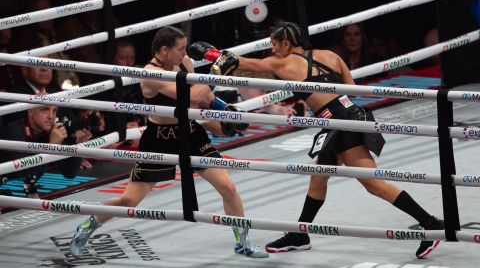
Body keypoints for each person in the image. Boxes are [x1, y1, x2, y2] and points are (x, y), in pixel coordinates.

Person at [189, 21, 444, 259]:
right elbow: (353, 88)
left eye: (274, 45)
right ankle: (301, 233)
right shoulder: (331, 55)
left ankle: (431, 224)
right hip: (350, 114)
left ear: (286, 44)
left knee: (373, 184)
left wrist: (211, 54)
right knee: (318, 177)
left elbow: (243, 64)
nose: (273, 50)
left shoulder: (285, 62)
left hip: (339, 123)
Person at [69, 26, 268, 258]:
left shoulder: (184, 63)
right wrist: (216, 71)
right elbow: (190, 96)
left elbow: (203, 96)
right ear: (164, 50)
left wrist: (226, 111)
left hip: (190, 132)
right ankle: (86, 228)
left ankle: (242, 242)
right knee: (130, 199)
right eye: (180, 48)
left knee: (228, 187)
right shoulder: (150, 74)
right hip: (159, 139)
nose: (185, 53)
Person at [0, 93, 85, 198]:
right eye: (45, 109)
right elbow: (26, 177)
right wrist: (51, 148)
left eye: (54, 111)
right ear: (30, 112)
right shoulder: (13, 134)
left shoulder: (52, 130)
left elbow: (69, 173)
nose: (51, 116)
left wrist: (77, 144)